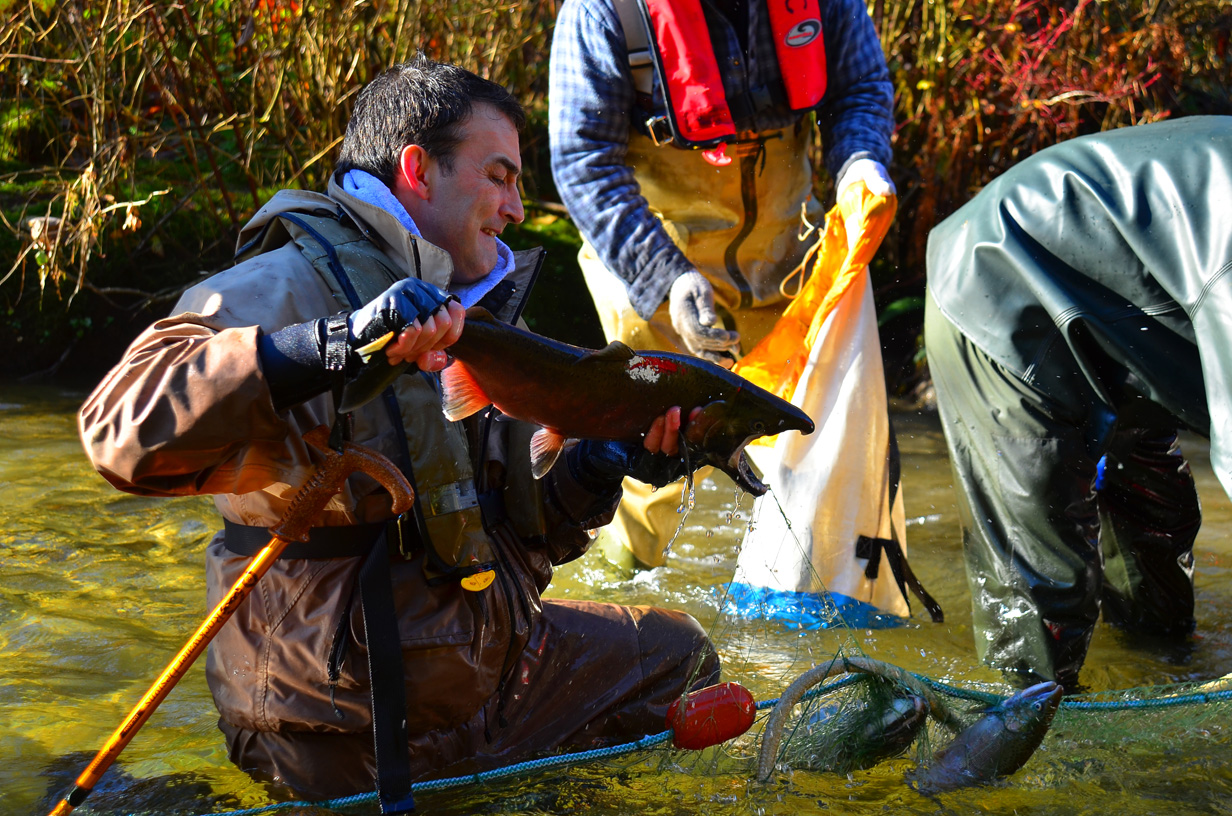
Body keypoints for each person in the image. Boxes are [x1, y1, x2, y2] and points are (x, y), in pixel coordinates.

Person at [77, 56, 719, 806]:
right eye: (500, 177)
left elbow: (522, 529)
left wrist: (602, 464)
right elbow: (119, 434)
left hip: (487, 680)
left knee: (679, 662)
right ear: (418, 170)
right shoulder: (277, 288)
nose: (517, 209)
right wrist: (333, 345)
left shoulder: (474, 310)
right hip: (343, 727)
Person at [549, 0, 899, 570]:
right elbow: (582, 159)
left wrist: (860, 162)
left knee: (817, 447)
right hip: (653, 267)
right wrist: (665, 276)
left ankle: (799, 594)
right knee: (651, 469)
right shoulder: (602, 11)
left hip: (791, 261)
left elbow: (860, 88)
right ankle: (625, 591)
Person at [924, 116, 1232, 693]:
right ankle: (1027, 735)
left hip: (1121, 320)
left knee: (1157, 532)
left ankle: (1159, 677)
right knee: (1043, 603)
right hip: (998, 288)